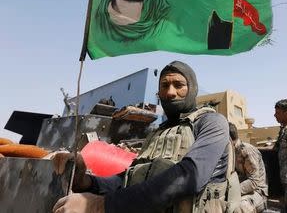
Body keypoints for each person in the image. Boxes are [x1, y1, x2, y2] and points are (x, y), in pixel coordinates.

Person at [52, 61, 230, 213]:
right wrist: (86, 182)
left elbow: (190, 175)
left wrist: (101, 205)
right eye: (164, 85)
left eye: (178, 85)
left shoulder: (212, 122)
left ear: (192, 89)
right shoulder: (157, 133)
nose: (170, 92)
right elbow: (127, 179)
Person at [228, 122, 268, 213]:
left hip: (258, 193)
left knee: (240, 209)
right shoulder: (231, 151)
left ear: (229, 139)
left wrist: (231, 191)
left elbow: (253, 182)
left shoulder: (247, 151)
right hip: (240, 191)